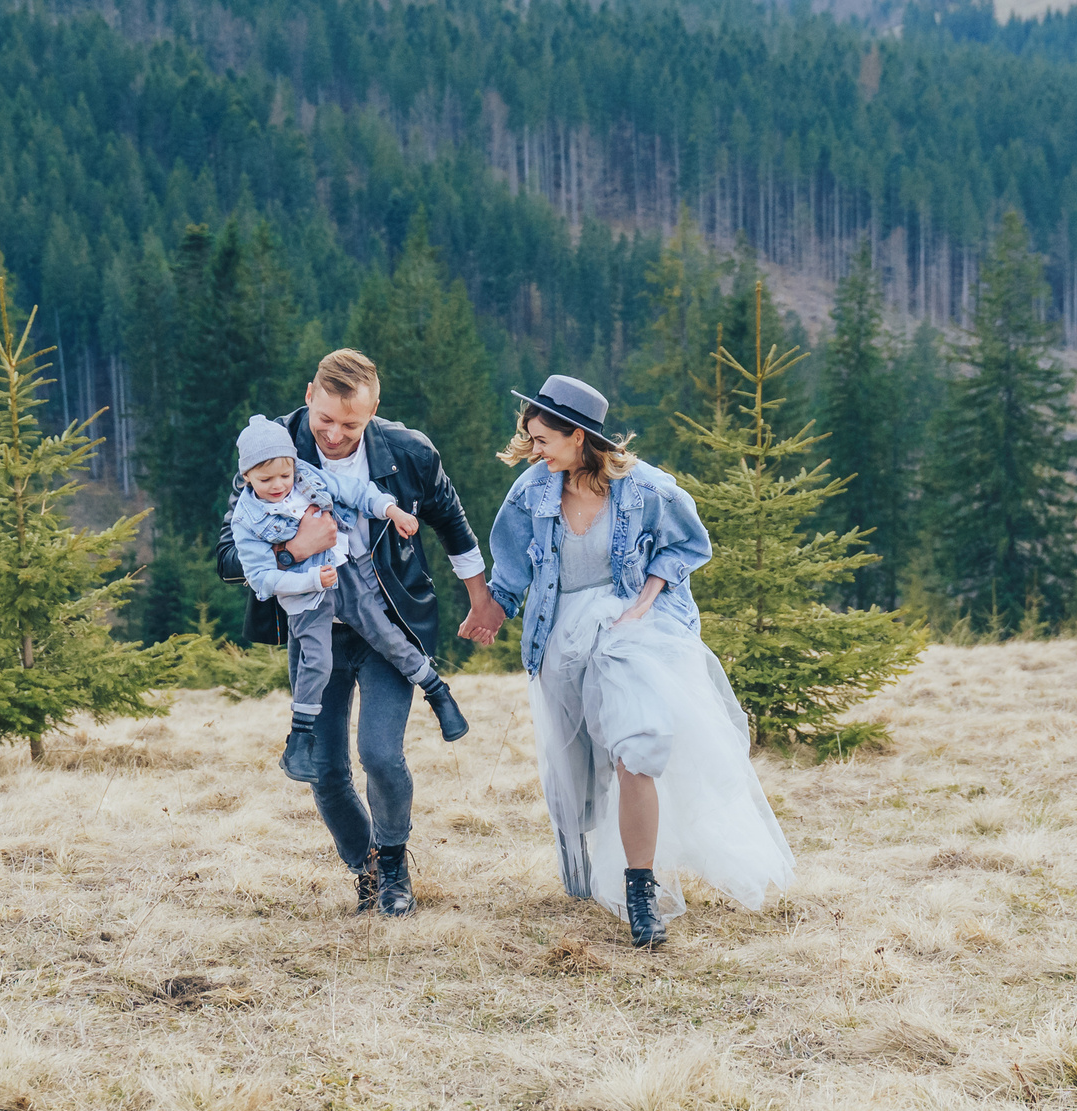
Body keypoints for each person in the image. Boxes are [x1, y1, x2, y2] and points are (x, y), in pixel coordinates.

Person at [462, 374, 794, 948]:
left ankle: (640, 892)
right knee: (578, 764)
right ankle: (586, 875)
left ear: (580, 436)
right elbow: (513, 569)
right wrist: (492, 609)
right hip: (559, 636)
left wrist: (646, 598)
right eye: (531, 438)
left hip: (630, 635)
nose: (534, 450)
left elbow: (689, 543)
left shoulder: (645, 489)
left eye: (543, 439)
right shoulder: (530, 493)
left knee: (638, 747)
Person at [214, 350, 508, 918]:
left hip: (388, 621)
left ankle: (395, 863)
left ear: (373, 411)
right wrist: (296, 549)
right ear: (308, 396)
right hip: (315, 627)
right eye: (325, 419)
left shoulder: (408, 452)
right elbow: (228, 555)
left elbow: (451, 521)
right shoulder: (272, 453)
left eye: (351, 424)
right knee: (325, 770)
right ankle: (366, 867)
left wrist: (480, 597)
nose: (335, 433)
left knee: (380, 754)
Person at [225, 414, 469, 785]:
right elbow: (260, 579)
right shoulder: (246, 520)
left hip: (346, 575)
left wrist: (392, 510)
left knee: (388, 635)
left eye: (284, 475)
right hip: (305, 597)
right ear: (246, 478)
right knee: (317, 663)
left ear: (293, 465)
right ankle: (300, 739)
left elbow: (355, 492)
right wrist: (306, 572)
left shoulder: (307, 476)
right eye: (265, 479)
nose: (278, 485)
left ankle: (437, 692)